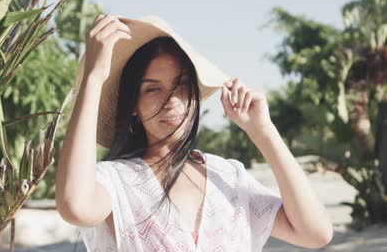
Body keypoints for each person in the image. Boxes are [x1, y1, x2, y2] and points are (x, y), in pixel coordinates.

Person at [55, 14, 333, 251]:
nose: (172, 101)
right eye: (153, 89)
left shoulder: (228, 176)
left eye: (182, 85)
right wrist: (94, 76)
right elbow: (74, 206)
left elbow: (315, 232)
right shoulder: (117, 181)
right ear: (133, 106)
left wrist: (264, 132)